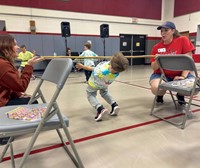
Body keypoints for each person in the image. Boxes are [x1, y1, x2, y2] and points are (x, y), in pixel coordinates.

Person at [0, 34, 44, 145]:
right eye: (15, 44)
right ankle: (3, 132)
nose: (18, 47)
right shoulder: (3, 65)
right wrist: (29, 66)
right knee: (33, 102)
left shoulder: (3, 63)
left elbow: (8, 84)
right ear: (6, 48)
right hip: (1, 103)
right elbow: (21, 85)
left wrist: (18, 94)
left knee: (30, 100)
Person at [149, 21, 195, 105]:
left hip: (180, 73)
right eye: (161, 31)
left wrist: (183, 76)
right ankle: (160, 95)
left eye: (166, 30)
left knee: (194, 89)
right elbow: (153, 67)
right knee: (156, 88)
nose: (163, 33)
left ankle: (180, 94)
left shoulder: (183, 40)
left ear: (173, 31)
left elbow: (188, 61)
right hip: (161, 75)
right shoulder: (156, 47)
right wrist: (157, 60)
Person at [76, 52, 129, 121]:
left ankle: (100, 109)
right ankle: (114, 105)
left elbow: (92, 69)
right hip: (105, 84)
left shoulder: (101, 70)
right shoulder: (116, 73)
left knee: (90, 95)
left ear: (111, 65)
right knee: (104, 93)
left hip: (94, 84)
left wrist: (82, 66)